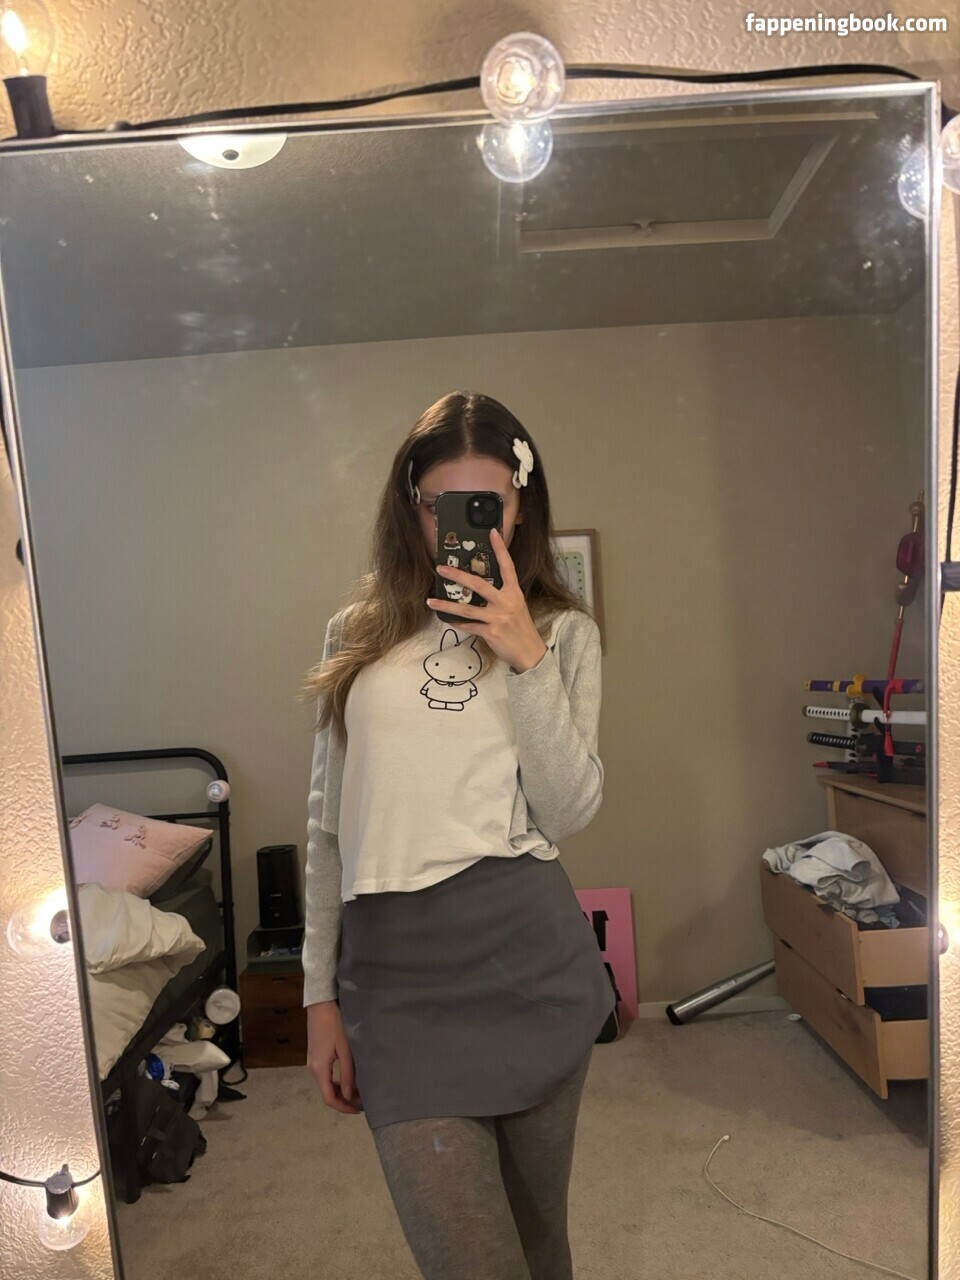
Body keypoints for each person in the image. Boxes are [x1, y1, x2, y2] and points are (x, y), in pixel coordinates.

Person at [299, 390, 614, 1280]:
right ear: (411, 506)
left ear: (519, 508)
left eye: (486, 504)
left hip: (528, 961)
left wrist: (525, 657)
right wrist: (318, 996)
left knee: (541, 1248)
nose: (461, 525)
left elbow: (568, 810)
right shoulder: (358, 634)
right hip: (396, 986)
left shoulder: (561, 635)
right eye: (441, 504)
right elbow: (326, 824)